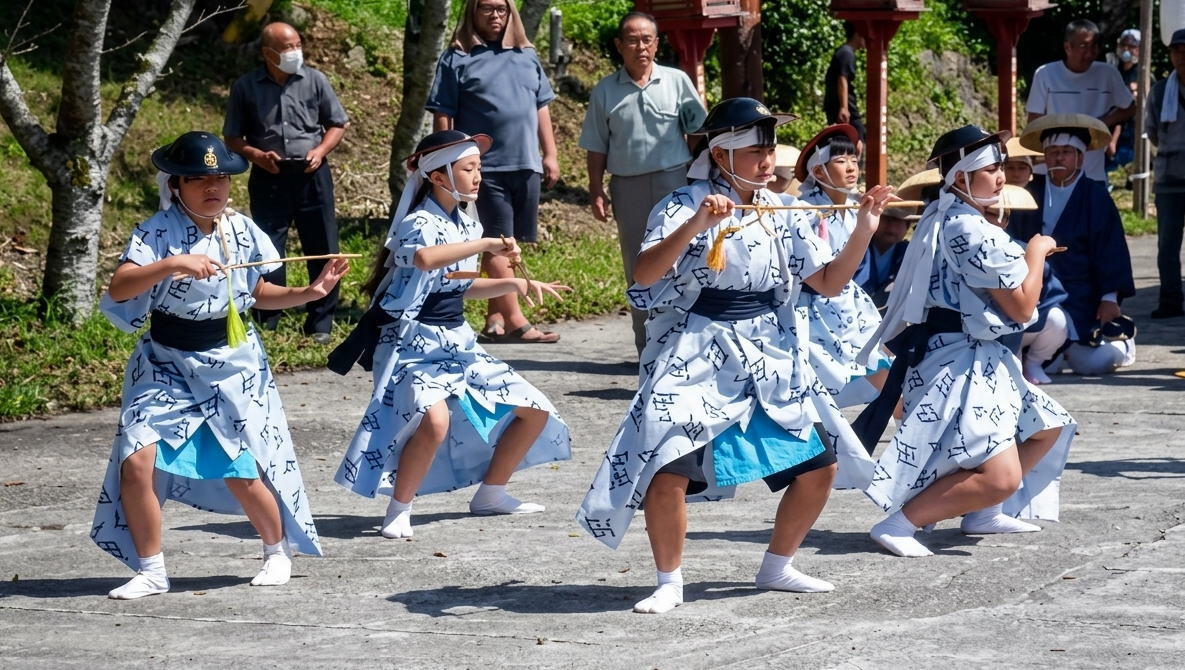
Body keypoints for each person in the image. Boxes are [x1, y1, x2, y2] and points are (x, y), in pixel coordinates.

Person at [577, 98, 891, 613]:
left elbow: (829, 283)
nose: (768, 160)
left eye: (770, 149)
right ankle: (669, 580)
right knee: (666, 464)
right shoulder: (682, 204)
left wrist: (863, 229)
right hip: (701, 345)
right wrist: (697, 225)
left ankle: (777, 565)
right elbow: (646, 275)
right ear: (721, 155)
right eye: (756, 150)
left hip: (771, 346)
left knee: (820, 466)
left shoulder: (786, 210)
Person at [94, 132, 347, 598]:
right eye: (198, 179)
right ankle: (151, 569)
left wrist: (310, 294)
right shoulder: (155, 232)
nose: (213, 188)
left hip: (230, 362)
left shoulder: (243, 231)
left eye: (220, 179)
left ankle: (276, 551)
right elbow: (120, 287)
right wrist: (172, 264)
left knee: (241, 468)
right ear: (176, 185)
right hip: (165, 362)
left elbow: (256, 293)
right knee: (136, 459)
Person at [328, 130, 572, 539]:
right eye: (468, 168)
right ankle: (399, 509)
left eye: (479, 168)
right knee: (434, 420)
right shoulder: (416, 222)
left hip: (457, 341)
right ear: (439, 176)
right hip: (411, 344)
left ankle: (490, 494)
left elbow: (456, 285)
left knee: (534, 408)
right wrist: (489, 243)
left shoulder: (463, 223)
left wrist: (516, 285)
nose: (478, 176)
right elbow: (424, 259)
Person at [853, 125, 1077, 558]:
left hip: (979, 354)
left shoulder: (955, 220)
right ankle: (900, 523)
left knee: (1046, 427)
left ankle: (981, 511)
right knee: (1000, 474)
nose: (1000, 177)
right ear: (960, 178)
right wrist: (1035, 252)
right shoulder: (967, 229)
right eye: (991, 168)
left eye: (998, 168)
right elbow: (1021, 308)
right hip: (959, 359)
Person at [427, 0, 561, 344]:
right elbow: (443, 113)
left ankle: (495, 319)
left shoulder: (526, 56)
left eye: (501, 8)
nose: (495, 15)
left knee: (509, 243)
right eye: (487, 8)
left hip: (525, 163)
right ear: (473, 12)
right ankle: (517, 321)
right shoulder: (457, 57)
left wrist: (550, 154)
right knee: (500, 242)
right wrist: (444, 158)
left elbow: (540, 107)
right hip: (484, 169)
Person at [580, 11, 706, 355]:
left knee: (686, 259)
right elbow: (595, 145)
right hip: (628, 187)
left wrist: (706, 179)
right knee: (639, 266)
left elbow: (700, 133)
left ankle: (683, 345)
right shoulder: (606, 90)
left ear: (656, 43)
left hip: (675, 182)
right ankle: (646, 347)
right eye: (633, 40)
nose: (641, 47)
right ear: (620, 46)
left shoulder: (677, 81)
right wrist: (595, 190)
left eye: (647, 39)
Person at [224, 21, 349, 344]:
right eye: (288, 47)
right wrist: (256, 155)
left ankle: (321, 321)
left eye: (298, 45)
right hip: (270, 175)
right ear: (268, 53)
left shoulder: (315, 80)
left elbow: (337, 123)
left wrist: (321, 151)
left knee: (321, 244)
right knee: (268, 248)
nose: (296, 52)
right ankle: (269, 317)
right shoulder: (246, 87)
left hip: (312, 173)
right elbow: (233, 137)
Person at [1007, 114, 1137, 376]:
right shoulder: (1033, 191)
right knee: (1049, 366)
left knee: (1090, 364)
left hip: (1083, 295)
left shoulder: (1095, 195)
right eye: (1053, 152)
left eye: (1066, 152)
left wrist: (1109, 298)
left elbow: (1110, 248)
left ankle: (1123, 343)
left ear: (1081, 157)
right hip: (1041, 293)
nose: (1059, 158)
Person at [792, 124, 889, 406]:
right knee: (818, 392)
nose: (851, 168)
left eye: (854, 161)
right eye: (840, 161)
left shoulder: (851, 208)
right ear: (818, 172)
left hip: (847, 304)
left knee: (883, 374)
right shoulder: (805, 212)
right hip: (813, 309)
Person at [1026, 19, 1135, 182]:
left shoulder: (1108, 74)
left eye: (1094, 47)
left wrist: (1102, 123)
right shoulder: (1045, 74)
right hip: (1052, 166)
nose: (1090, 53)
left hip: (1092, 167)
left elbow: (1130, 107)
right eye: (1084, 47)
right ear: (1067, 47)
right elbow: (1034, 120)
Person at [988, 185, 1070, 386]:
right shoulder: (953, 236)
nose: (996, 220)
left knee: (1056, 319)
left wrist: (1035, 254)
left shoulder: (1019, 249)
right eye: (988, 213)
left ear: (1007, 220)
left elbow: (1027, 307)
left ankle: (1033, 363)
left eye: (1001, 214)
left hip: (1014, 326)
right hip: (960, 337)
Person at [1145, 28, 1185, 320]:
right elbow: (1153, 133)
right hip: (1169, 179)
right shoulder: (1160, 91)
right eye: (1176, 51)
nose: (1181, 57)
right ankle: (1170, 300)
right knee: (1167, 246)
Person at [854, 206, 912, 310]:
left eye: (898, 221)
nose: (891, 227)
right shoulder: (857, 247)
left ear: (907, 226)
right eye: (886, 219)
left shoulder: (910, 253)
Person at [823, 22, 866, 147]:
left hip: (839, 105)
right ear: (857, 34)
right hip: (841, 107)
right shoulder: (846, 53)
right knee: (856, 138)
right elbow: (842, 79)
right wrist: (844, 107)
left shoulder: (845, 51)